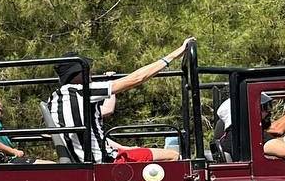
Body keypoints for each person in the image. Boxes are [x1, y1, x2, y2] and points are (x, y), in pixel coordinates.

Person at [47, 42, 190, 163]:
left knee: (141, 152)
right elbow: (136, 79)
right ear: (78, 73)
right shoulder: (82, 91)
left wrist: (126, 148)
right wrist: (174, 55)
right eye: (88, 70)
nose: (91, 74)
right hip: (105, 160)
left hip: (87, 159)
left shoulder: (56, 99)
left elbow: (101, 121)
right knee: (173, 156)